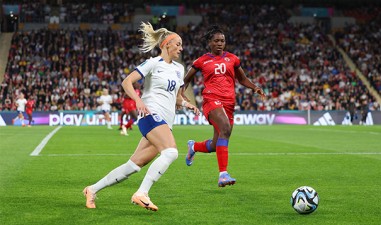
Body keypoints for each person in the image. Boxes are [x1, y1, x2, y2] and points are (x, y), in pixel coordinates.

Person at [83, 22, 200, 211]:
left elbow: (177, 98)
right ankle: (142, 193)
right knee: (171, 152)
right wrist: (138, 100)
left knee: (133, 166)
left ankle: (92, 189)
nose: (181, 47)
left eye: (181, 44)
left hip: (164, 123)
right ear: (166, 45)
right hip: (150, 116)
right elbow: (127, 82)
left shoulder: (179, 69)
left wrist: (188, 105)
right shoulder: (153, 63)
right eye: (177, 44)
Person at [182, 25, 266, 187]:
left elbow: (242, 79)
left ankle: (194, 146)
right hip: (211, 100)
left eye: (222, 41)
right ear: (210, 43)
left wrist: (254, 87)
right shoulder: (202, 61)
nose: (220, 43)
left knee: (216, 144)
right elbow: (186, 80)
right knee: (225, 129)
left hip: (229, 103)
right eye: (216, 41)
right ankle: (223, 174)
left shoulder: (233, 59)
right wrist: (181, 94)